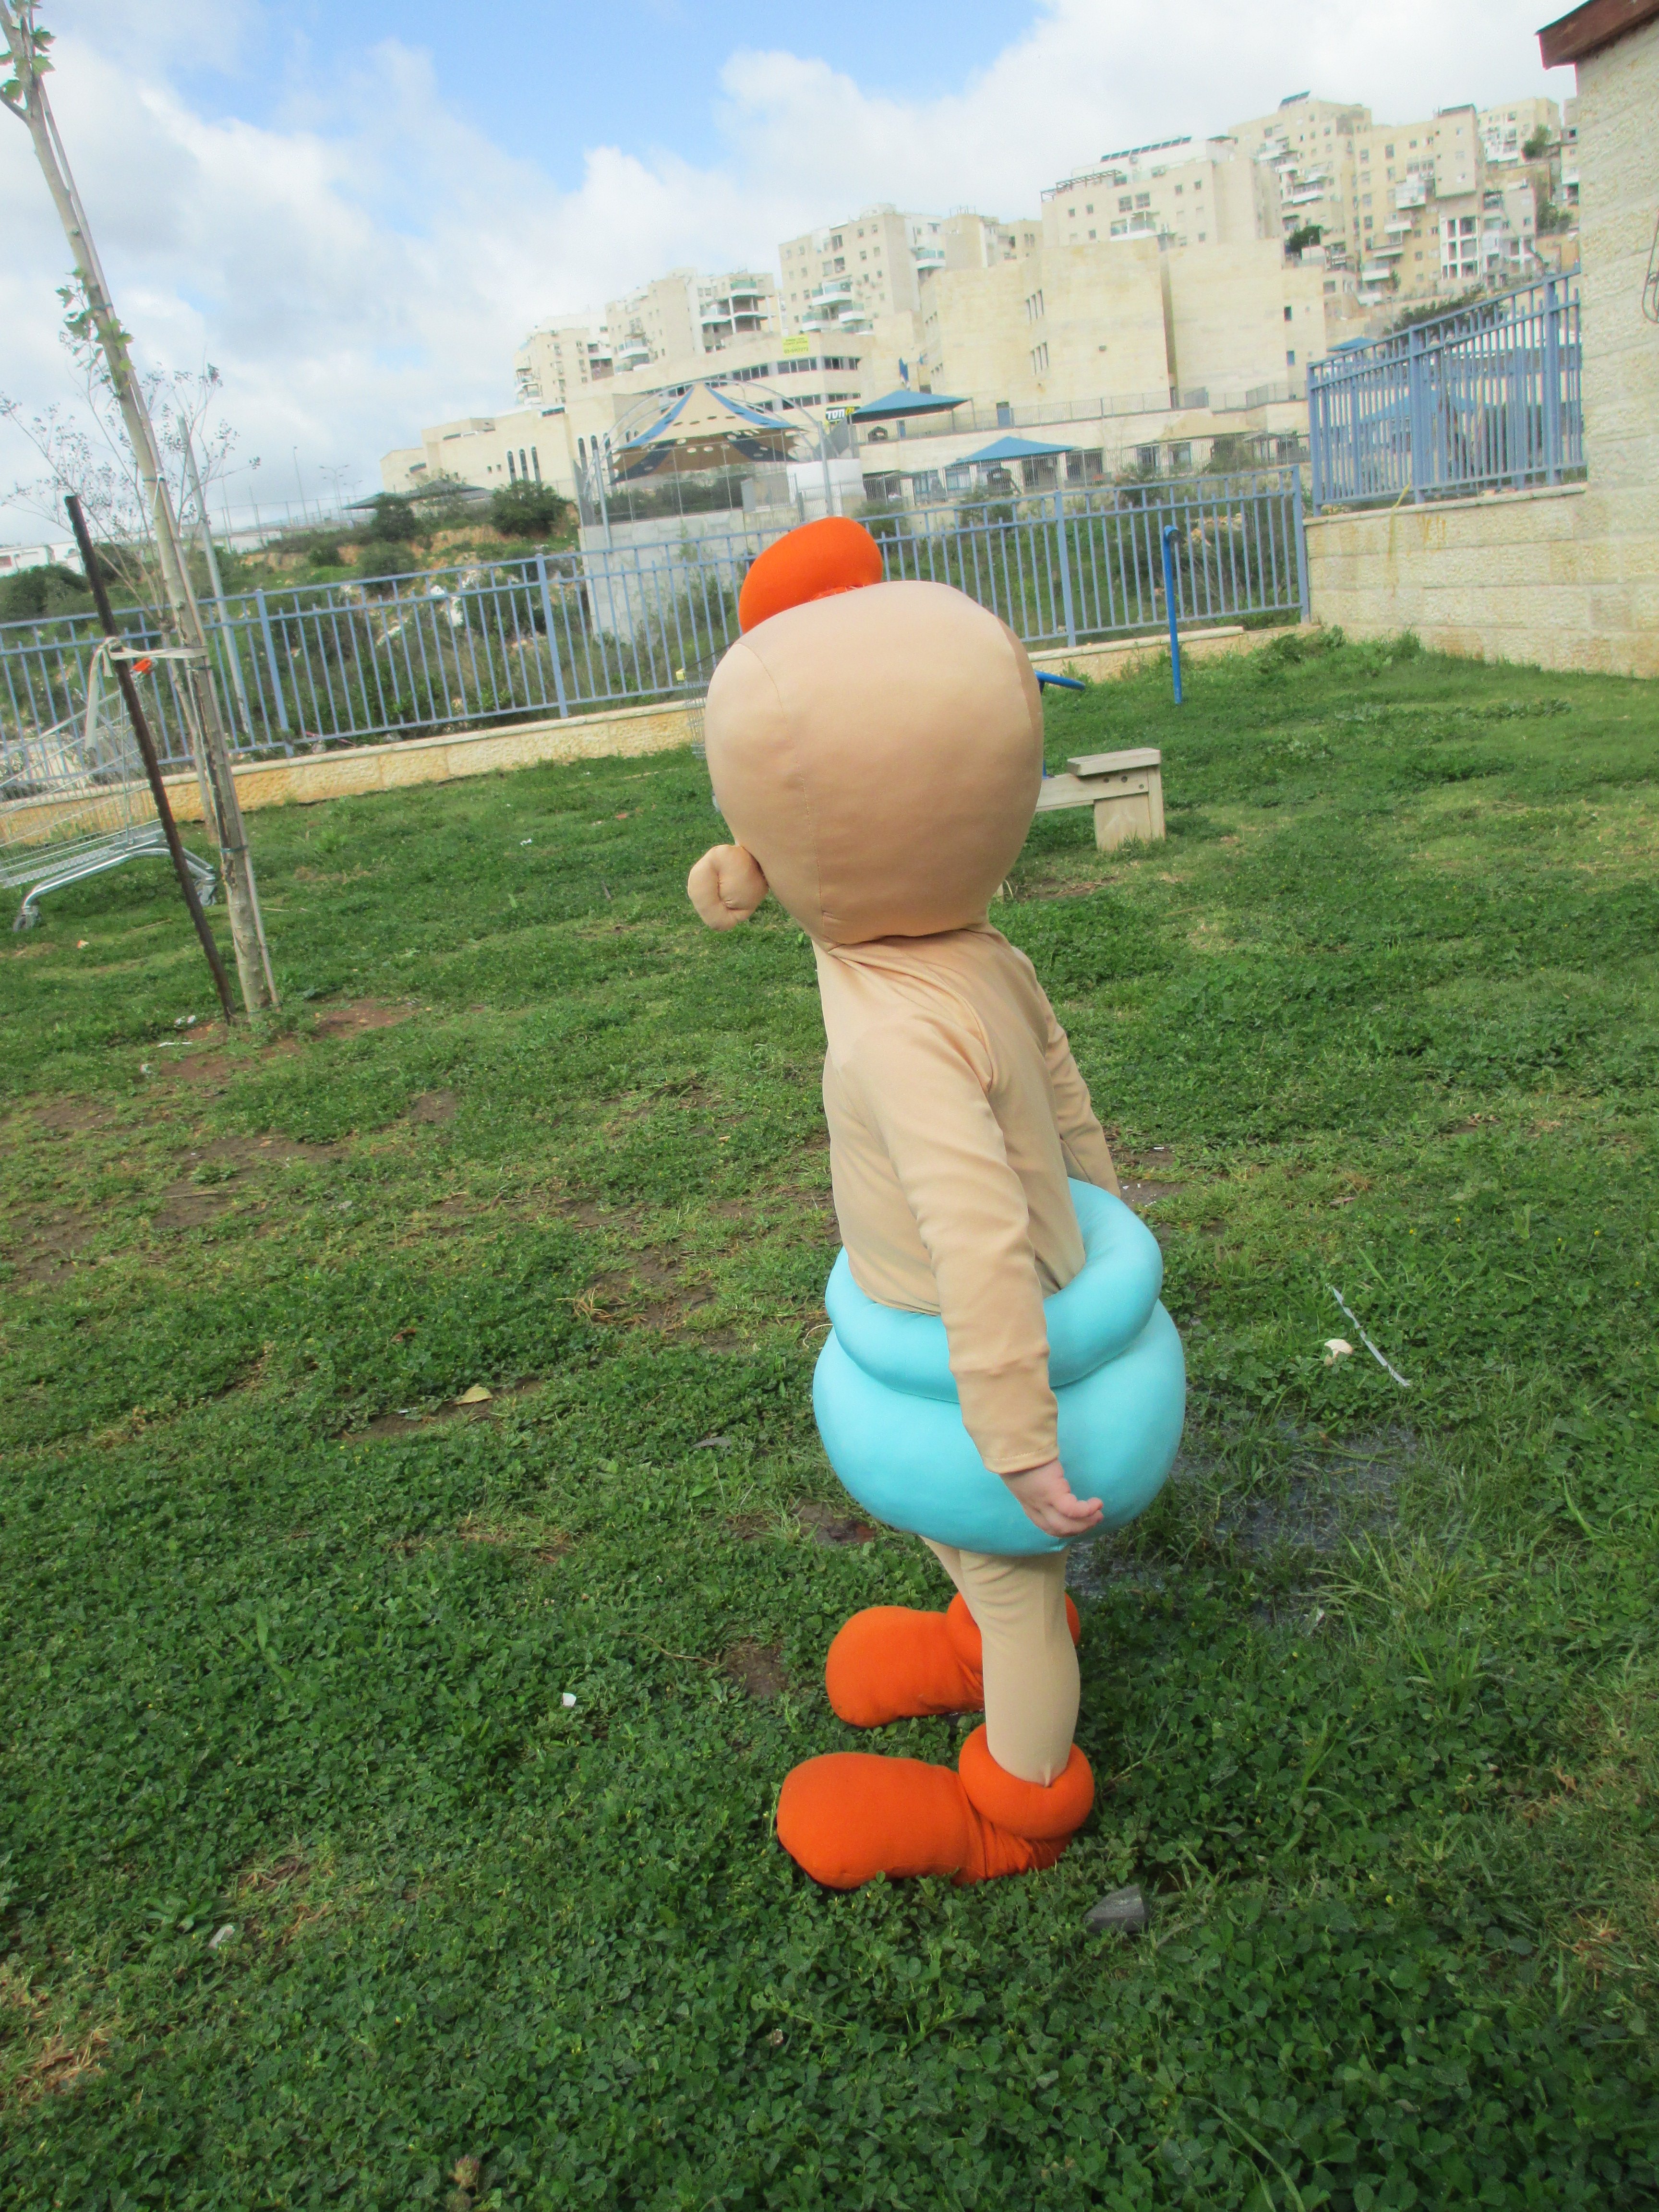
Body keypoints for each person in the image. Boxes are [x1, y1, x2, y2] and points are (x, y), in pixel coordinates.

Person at [686, 517, 1180, 1888]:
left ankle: (1017, 1810)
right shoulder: (963, 945)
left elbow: (976, 1235)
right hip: (1005, 1306)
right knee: (966, 1551)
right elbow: (1067, 1093)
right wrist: (1107, 1224)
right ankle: (969, 1635)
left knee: (1018, 1587)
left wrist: (1017, 1437)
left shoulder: (899, 1033)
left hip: (986, 1352)